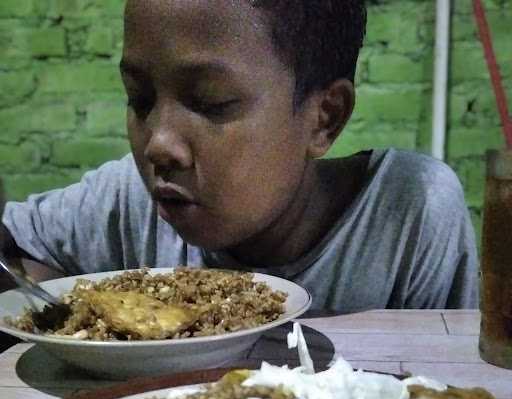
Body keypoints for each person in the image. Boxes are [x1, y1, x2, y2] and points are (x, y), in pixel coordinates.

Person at [0, 0, 478, 312]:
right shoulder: (128, 199)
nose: (158, 144)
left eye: (211, 103)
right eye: (139, 98)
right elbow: (14, 253)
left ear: (324, 118)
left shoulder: (408, 214)